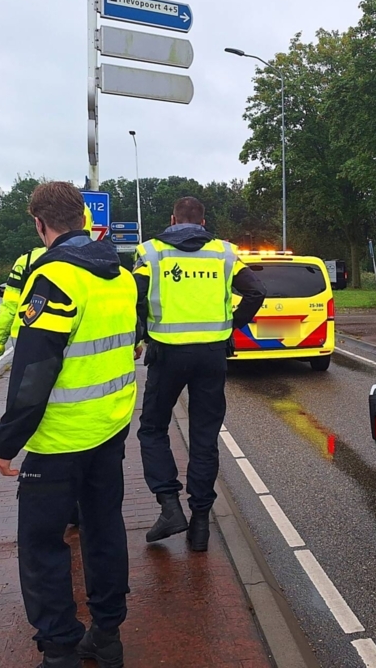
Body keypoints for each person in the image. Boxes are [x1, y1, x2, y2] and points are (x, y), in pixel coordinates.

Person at [0, 182, 138, 668]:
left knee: (40, 545)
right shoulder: (118, 274)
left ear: (40, 223)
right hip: (110, 427)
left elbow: (35, 372)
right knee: (104, 529)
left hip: (58, 440)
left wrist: (6, 440)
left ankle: (59, 651)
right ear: (83, 218)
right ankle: (108, 635)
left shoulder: (52, 277)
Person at [134, 196, 265, 550]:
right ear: (203, 223)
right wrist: (229, 326)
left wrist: (142, 331)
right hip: (212, 355)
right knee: (205, 437)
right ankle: (201, 525)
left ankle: (169, 505)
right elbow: (256, 292)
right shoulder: (224, 253)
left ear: (173, 218)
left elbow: (136, 296)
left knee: (152, 428)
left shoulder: (151, 252)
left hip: (167, 355)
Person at [0, 205, 95, 384]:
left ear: (40, 225)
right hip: (92, 365)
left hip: (31, 359)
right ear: (86, 223)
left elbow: (9, 310)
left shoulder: (27, 263)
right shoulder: (106, 264)